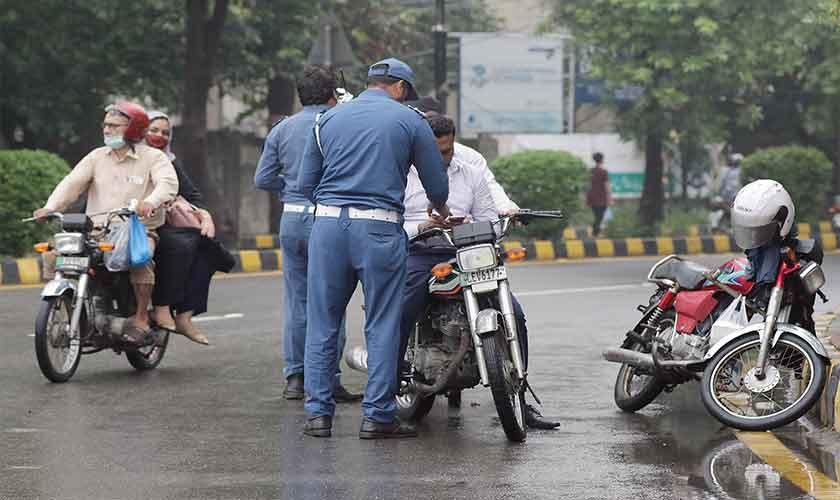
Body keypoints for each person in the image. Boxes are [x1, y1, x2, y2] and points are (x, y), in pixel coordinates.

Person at [297, 57, 449, 439]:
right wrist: (439, 209)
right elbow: (437, 186)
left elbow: (303, 183)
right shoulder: (411, 120)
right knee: (381, 323)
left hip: (328, 228)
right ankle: (377, 416)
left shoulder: (327, 119)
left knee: (323, 322)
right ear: (399, 87)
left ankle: (318, 415)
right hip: (379, 230)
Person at [401, 114, 560, 429]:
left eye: (446, 151)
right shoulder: (403, 175)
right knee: (402, 306)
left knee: (513, 312)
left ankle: (521, 399)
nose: (441, 159)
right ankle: (388, 386)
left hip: (466, 252)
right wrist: (424, 226)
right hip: (420, 251)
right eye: (434, 153)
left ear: (453, 143)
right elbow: (393, 221)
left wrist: (468, 225)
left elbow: (486, 216)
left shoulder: (471, 173)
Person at [254, 65, 362, 403]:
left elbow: (263, 179)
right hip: (329, 221)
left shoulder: (282, 129)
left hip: (292, 220)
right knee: (331, 302)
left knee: (297, 301)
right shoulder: (340, 124)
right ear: (333, 94)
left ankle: (296, 378)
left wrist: (289, 189)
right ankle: (329, 379)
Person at [33, 102, 179, 341]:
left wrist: (151, 202)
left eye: (114, 126)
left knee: (140, 258)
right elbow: (72, 183)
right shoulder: (96, 157)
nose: (107, 130)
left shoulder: (153, 158)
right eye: (105, 125)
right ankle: (70, 308)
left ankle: (141, 317)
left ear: (133, 130)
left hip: (137, 230)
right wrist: (50, 207)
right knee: (53, 255)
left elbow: (168, 184)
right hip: (96, 232)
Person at [145, 111, 234, 346]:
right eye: (153, 130)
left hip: (163, 222)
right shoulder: (125, 156)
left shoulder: (169, 161)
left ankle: (185, 314)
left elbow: (192, 194)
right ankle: (162, 305)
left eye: (165, 133)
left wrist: (204, 215)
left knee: (207, 247)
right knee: (183, 244)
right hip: (133, 224)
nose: (159, 136)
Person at [409, 96, 519, 215]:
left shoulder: (470, 157)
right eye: (424, 121)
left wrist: (507, 208)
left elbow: (489, 187)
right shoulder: (403, 158)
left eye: (445, 152)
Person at [586, 152, 611, 237]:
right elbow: (607, 186)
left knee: (597, 216)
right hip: (602, 198)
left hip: (592, 197)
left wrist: (586, 198)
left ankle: (596, 232)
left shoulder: (590, 171)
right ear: (602, 160)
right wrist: (610, 198)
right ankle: (595, 233)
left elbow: (587, 185)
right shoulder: (603, 172)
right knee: (599, 216)